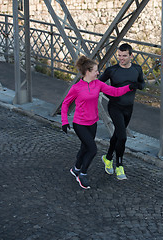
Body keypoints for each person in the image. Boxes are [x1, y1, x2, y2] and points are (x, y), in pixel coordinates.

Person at [61, 55, 139, 189]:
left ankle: (75, 169)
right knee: (92, 149)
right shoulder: (76, 88)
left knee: (84, 147)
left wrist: (129, 87)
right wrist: (64, 121)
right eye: (95, 71)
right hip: (80, 124)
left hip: (92, 123)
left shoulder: (98, 84)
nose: (98, 73)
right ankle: (82, 174)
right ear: (87, 72)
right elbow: (65, 104)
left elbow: (114, 92)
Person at [98, 43, 145, 180]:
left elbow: (142, 83)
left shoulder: (137, 69)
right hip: (115, 107)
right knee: (123, 137)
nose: (121, 58)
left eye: (124, 56)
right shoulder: (112, 70)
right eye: (119, 55)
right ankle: (119, 165)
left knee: (118, 136)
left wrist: (136, 85)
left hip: (128, 108)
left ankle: (107, 158)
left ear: (131, 55)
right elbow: (99, 84)